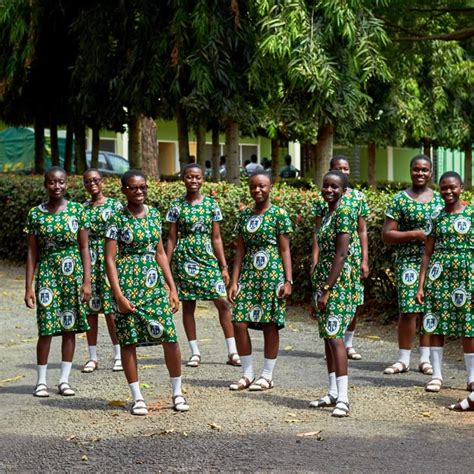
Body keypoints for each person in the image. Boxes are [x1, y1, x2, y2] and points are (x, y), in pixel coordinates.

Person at [105, 170, 189, 415]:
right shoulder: (116, 218)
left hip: (153, 284)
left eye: (143, 187)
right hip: (127, 283)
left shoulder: (153, 214)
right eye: (133, 188)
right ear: (124, 191)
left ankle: (177, 393)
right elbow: (110, 259)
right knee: (129, 340)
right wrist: (118, 295)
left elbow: (160, 252)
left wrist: (172, 287)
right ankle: (137, 397)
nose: (139, 191)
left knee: (170, 337)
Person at [24, 166, 91, 398]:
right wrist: (28, 287)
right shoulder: (35, 214)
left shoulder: (77, 211)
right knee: (46, 328)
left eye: (61, 182)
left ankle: (64, 380)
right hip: (48, 275)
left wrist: (87, 281)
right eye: (52, 182)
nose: (57, 186)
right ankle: (41, 381)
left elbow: (84, 247)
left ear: (67, 184)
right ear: (46, 185)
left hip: (72, 276)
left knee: (69, 328)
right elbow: (32, 253)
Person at [166, 163, 240, 367]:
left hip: (207, 258)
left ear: (203, 179)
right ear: (183, 178)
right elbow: (171, 238)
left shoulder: (211, 205)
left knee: (223, 303)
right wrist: (166, 268)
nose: (194, 181)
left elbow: (216, 237)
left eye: (197, 177)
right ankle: (195, 352)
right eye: (189, 177)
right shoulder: (176, 206)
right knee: (188, 305)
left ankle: (233, 352)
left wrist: (223, 266)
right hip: (184, 259)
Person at [228, 171, 293, 391]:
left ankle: (267, 375)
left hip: (272, 275)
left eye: (262, 186)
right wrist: (234, 281)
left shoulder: (279, 214)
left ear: (270, 187)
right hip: (248, 275)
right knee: (238, 322)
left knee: (269, 324)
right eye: (253, 187)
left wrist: (288, 280)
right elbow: (239, 251)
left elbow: (285, 250)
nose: (258, 190)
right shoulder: (244, 216)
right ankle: (247, 374)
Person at [382, 155, 443, 376]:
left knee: (428, 309)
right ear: (410, 171)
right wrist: (414, 234)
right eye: (416, 170)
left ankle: (425, 359)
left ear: (431, 173)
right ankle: (403, 358)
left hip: (435, 261)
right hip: (408, 260)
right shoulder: (399, 200)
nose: (420, 174)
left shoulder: (439, 200)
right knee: (409, 310)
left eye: (425, 170)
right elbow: (387, 234)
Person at [416, 171, 473, 394]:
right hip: (438, 277)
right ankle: (437, 376)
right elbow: (427, 254)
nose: (448, 191)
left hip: (467, 277)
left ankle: (471, 378)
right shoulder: (435, 216)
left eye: (453, 187)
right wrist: (421, 285)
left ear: (461, 188)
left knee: (469, 328)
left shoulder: (472, 215)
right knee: (435, 324)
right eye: (444, 188)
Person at [309, 170, 356, 417]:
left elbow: (341, 254)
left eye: (335, 187)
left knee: (336, 337)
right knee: (328, 336)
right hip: (324, 278)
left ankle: (344, 399)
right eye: (326, 185)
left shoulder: (344, 213)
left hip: (336, 282)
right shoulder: (329, 214)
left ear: (344, 191)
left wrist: (327, 288)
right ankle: (332, 392)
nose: (329, 190)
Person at [313, 156, 368, 360]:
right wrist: (315, 260)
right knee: (331, 311)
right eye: (338, 168)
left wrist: (364, 259)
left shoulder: (356, 199)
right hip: (331, 261)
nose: (343, 171)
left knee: (352, 302)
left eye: (346, 168)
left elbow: (362, 230)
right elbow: (318, 232)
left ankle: (348, 343)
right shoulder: (325, 200)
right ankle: (337, 345)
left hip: (347, 262)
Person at [82, 169, 123, 373]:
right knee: (90, 310)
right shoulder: (83, 209)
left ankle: (118, 354)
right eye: (88, 181)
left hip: (109, 259)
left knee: (111, 310)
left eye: (95, 180)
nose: (92, 184)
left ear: (103, 182)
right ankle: (92, 357)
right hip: (90, 260)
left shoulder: (116, 206)